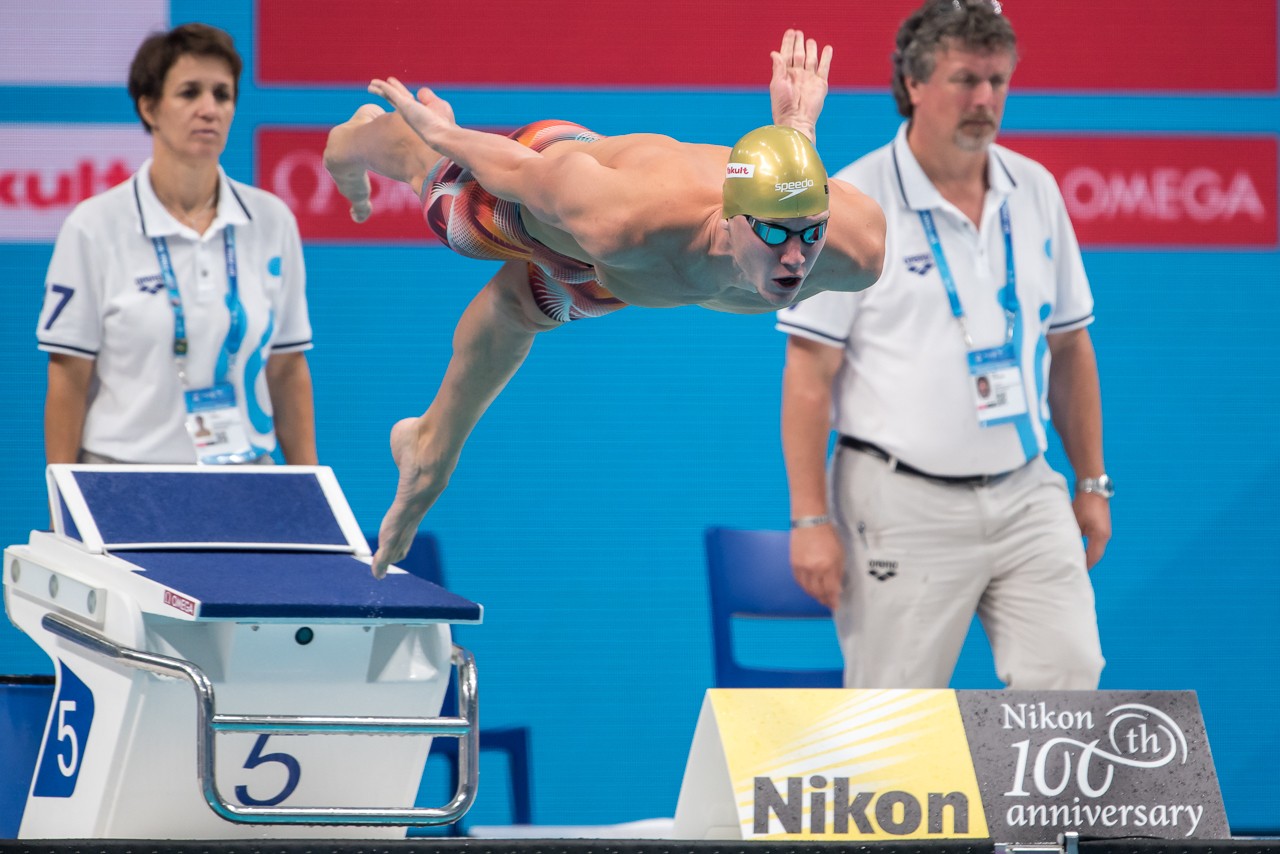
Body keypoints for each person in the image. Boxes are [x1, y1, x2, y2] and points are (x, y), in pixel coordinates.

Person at [322, 30, 886, 578]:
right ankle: (354, 140)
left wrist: (797, 129)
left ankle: (428, 448)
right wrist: (444, 135)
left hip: (619, 281)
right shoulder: (624, 218)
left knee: (522, 308)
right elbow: (519, 172)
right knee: (452, 208)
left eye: (810, 235)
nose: (795, 259)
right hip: (553, 210)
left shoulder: (853, 250)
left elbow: (796, 206)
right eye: (776, 236)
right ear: (733, 217)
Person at [778, 0, 1110, 690]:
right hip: (900, 501)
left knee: (1071, 683)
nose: (985, 100)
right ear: (915, 84)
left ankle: (1028, 807)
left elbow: (1071, 348)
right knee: (893, 719)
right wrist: (809, 518)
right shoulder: (856, 199)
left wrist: (1090, 482)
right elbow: (809, 373)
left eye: (998, 82)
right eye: (965, 80)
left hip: (1027, 491)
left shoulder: (1037, 190)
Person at [38, 23, 317, 468]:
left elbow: (286, 368)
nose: (209, 109)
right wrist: (62, 501)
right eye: (189, 93)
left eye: (222, 95)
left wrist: (307, 490)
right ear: (149, 107)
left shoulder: (272, 220)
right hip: (121, 479)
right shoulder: (93, 226)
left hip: (246, 479)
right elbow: (69, 376)